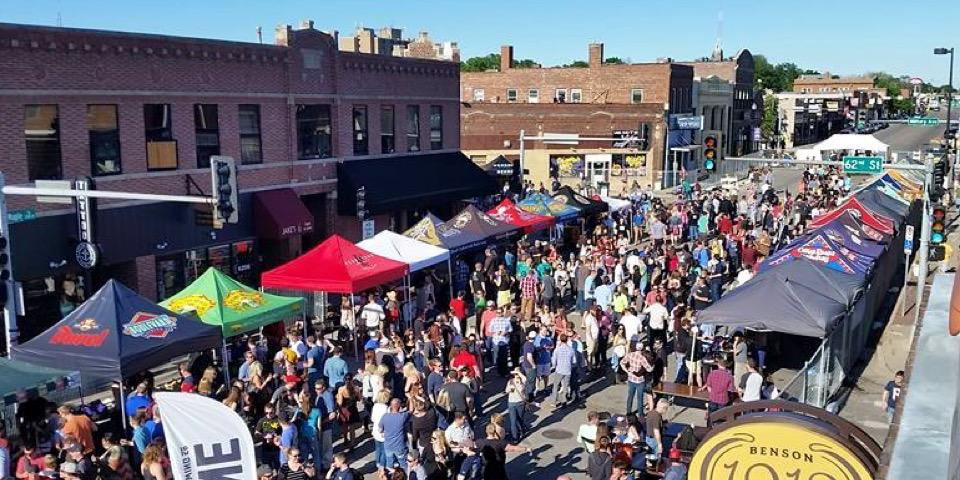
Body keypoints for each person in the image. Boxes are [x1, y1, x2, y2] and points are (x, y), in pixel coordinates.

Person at [620, 341, 654, 415]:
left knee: (630, 397)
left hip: (631, 379)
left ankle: (628, 412)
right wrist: (652, 367)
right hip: (640, 380)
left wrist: (627, 371)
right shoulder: (642, 358)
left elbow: (622, 363)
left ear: (636, 347)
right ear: (642, 349)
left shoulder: (630, 355)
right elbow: (649, 369)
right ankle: (640, 415)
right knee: (640, 398)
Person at [380, 399, 411, 472]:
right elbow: (411, 411)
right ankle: (405, 476)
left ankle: (394, 475)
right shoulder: (402, 416)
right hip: (399, 446)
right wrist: (410, 398)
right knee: (403, 464)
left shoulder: (385, 416)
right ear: (399, 406)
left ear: (390, 406)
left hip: (388, 446)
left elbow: (380, 429)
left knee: (390, 465)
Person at [551, 334, 576, 409]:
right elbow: (574, 361)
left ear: (560, 340)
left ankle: (554, 402)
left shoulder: (557, 349)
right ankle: (564, 401)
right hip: (567, 370)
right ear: (567, 340)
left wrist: (554, 366)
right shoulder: (571, 349)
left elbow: (554, 361)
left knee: (555, 386)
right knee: (565, 387)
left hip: (559, 370)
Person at [505, 368, 528, 441]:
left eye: (517, 373)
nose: (516, 375)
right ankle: (515, 437)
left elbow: (525, 378)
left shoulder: (523, 381)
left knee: (520, 419)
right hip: (511, 403)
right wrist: (509, 389)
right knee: (513, 421)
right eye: (515, 374)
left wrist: (519, 373)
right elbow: (506, 391)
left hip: (520, 402)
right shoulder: (510, 381)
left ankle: (522, 431)